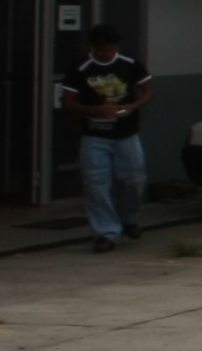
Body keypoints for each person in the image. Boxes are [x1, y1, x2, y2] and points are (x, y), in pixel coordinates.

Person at [55, 26, 154, 251]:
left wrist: (134, 105)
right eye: (102, 50)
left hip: (126, 133)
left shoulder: (129, 64)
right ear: (93, 48)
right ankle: (106, 232)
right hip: (94, 135)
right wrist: (95, 110)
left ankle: (129, 218)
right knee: (97, 184)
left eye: (111, 49)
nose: (107, 54)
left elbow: (148, 90)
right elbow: (68, 103)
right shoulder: (81, 68)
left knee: (134, 179)